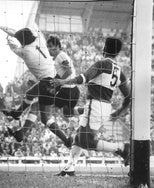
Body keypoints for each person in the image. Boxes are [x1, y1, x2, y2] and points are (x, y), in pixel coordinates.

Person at [52, 37, 131, 176]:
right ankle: (70, 168)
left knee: (86, 141)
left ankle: (122, 148)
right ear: (117, 53)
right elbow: (128, 97)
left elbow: (83, 78)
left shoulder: (102, 64)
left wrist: (62, 82)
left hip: (95, 105)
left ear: (104, 49)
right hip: (105, 106)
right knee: (78, 138)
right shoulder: (120, 72)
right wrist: (119, 112)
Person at [0, 21, 71, 147]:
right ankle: (22, 133)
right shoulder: (39, 41)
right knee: (39, 112)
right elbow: (17, 33)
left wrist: (8, 40)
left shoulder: (25, 52)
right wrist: (0, 26)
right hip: (55, 82)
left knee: (31, 96)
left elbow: (15, 44)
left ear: (22, 41)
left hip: (46, 83)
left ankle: (17, 114)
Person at [3, 36, 84, 148]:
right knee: (49, 112)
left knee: (40, 109)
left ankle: (18, 117)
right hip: (68, 90)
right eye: (48, 47)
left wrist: (60, 82)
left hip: (66, 90)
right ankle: (21, 130)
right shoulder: (56, 59)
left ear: (58, 47)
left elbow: (68, 70)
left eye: (52, 47)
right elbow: (60, 73)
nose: (49, 49)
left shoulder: (61, 55)